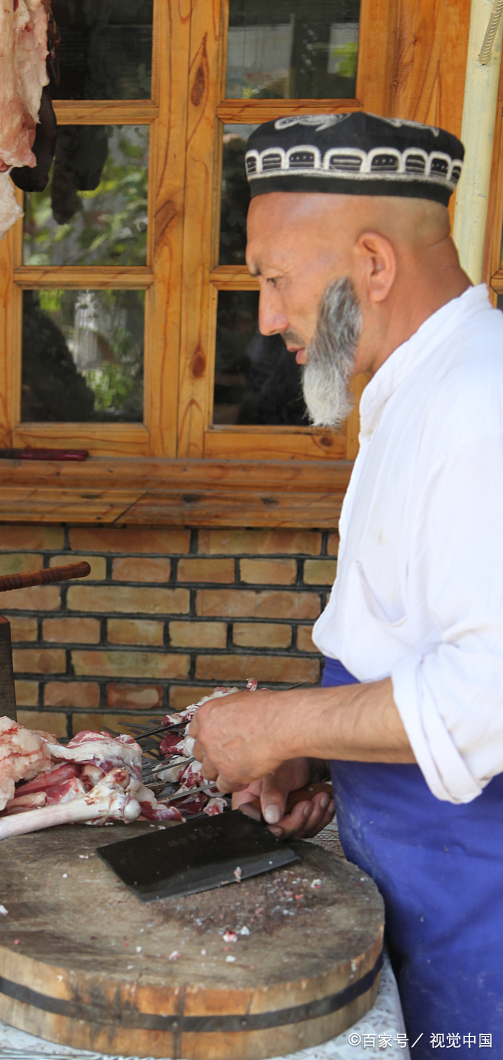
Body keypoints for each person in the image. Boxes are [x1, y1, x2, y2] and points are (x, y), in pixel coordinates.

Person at [187, 112, 503, 1056]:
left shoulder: (476, 407)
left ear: (372, 264)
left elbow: (487, 697)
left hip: (477, 893)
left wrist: (279, 724)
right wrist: (326, 756)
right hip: (412, 863)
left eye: (275, 282)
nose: (266, 318)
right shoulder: (413, 387)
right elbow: (409, 644)